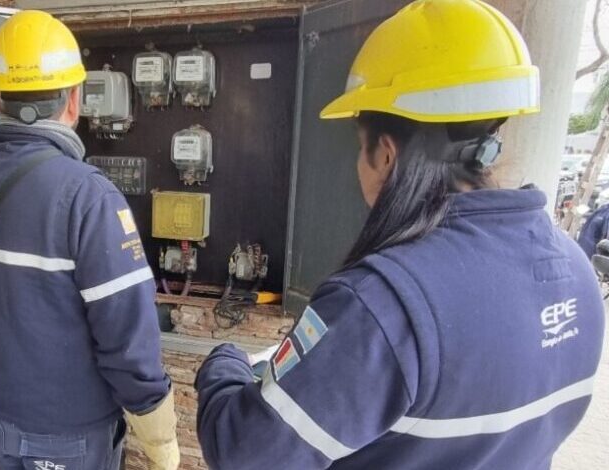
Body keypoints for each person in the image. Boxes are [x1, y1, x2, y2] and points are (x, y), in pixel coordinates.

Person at [194, 1, 605, 469]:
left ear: (386, 154)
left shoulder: (382, 305)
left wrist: (222, 364)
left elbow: (247, 453)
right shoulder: (576, 271)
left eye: (359, 146)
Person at [0, 11, 179, 470]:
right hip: (68, 430)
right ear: (74, 100)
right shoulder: (89, 197)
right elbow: (128, 335)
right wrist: (159, 437)